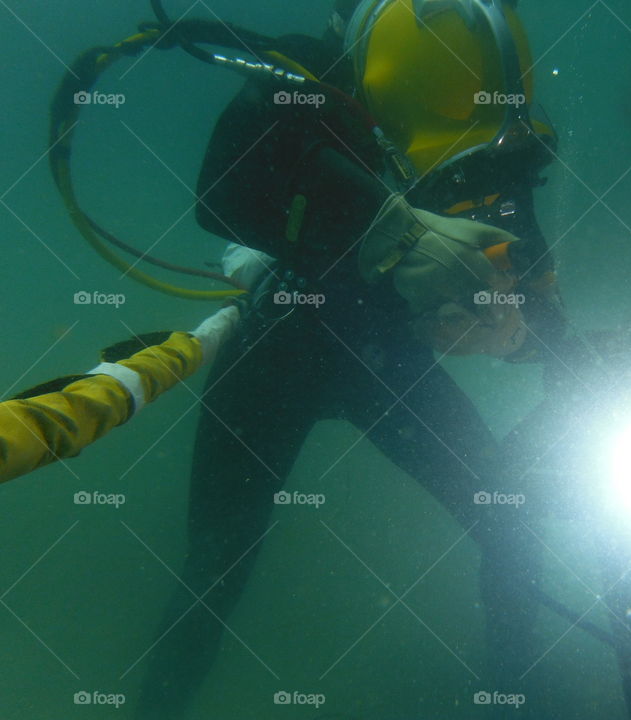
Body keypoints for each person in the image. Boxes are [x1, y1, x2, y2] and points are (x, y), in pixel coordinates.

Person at [136, 1, 569, 716]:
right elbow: (221, 195)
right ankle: (157, 707)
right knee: (218, 560)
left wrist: (556, 347)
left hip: (387, 358)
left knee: (508, 515)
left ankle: (516, 693)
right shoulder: (308, 75)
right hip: (284, 342)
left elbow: (524, 261)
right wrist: (389, 224)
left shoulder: (477, 89)